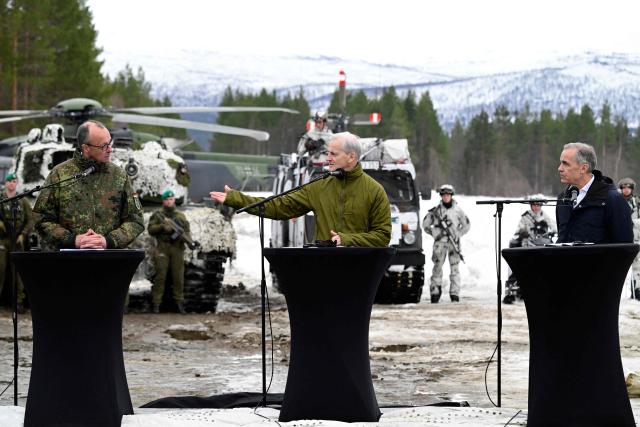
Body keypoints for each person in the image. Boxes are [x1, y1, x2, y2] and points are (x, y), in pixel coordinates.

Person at [211, 132, 391, 247]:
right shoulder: (319, 186)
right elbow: (279, 205)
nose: (327, 158)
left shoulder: (375, 191)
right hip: (324, 268)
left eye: (333, 154)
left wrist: (347, 240)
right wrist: (236, 199)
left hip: (360, 272)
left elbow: (382, 236)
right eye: (327, 153)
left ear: (351, 157)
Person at [33, 120, 144, 249]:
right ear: (86, 148)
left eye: (110, 144)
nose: (110, 149)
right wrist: (72, 240)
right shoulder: (59, 174)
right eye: (104, 146)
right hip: (68, 260)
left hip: (109, 259)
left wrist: (108, 241)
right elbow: (41, 219)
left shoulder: (119, 176)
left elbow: (135, 220)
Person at [556, 142, 632, 244]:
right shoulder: (563, 198)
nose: (560, 168)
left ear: (583, 168)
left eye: (565, 163)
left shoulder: (613, 199)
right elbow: (562, 240)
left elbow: (624, 250)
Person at [503, 195, 557, 304]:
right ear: (531, 205)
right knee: (520, 270)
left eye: (538, 205)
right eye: (534, 205)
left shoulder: (545, 217)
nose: (536, 207)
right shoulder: (525, 217)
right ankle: (513, 293)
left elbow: (555, 227)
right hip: (527, 247)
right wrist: (523, 232)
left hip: (541, 247)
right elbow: (518, 230)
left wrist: (551, 232)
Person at [422, 184, 470, 303]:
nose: (446, 197)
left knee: (455, 269)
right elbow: (425, 225)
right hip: (440, 244)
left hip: (454, 244)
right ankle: (435, 292)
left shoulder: (458, 211)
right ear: (441, 196)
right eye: (444, 195)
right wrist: (435, 233)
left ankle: (454, 294)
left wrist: (457, 234)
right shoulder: (435, 211)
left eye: (448, 195)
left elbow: (467, 225)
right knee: (437, 268)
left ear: (451, 196)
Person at [148, 189, 191, 314]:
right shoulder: (157, 215)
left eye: (171, 199)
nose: (169, 202)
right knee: (160, 276)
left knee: (178, 277)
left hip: (177, 248)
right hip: (163, 247)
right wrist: (162, 227)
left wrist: (189, 240)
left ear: (174, 200)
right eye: (167, 200)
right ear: (163, 201)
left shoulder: (180, 216)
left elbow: (186, 230)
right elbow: (150, 229)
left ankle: (179, 303)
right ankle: (156, 304)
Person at [0, 173, 33, 313]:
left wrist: (23, 234)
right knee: (0, 270)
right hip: (2, 239)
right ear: (5, 183)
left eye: (14, 181)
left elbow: (30, 220)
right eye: (9, 181)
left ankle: (19, 301)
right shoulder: (1, 199)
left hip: (17, 239)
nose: (12, 184)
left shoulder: (22, 201)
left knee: (18, 273)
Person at [618, 177, 640, 299]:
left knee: (637, 265)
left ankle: (637, 289)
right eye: (623, 187)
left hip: (636, 237)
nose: (626, 190)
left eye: (628, 187)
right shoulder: (617, 202)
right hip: (621, 238)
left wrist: (633, 223)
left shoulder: (637, 202)